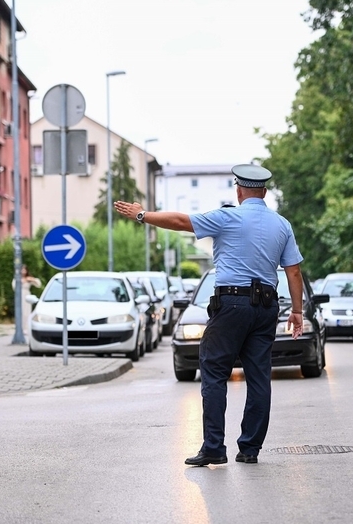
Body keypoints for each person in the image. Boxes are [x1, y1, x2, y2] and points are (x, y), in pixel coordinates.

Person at [114, 163, 305, 466]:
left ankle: (214, 447)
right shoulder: (282, 225)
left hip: (231, 304)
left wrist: (141, 215)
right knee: (259, 377)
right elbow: (293, 271)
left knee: (214, 372)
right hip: (266, 307)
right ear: (265, 192)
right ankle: (250, 449)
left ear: (239, 191)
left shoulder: (227, 217)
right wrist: (297, 311)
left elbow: (181, 221)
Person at [13, 265, 42, 336]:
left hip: (26, 295)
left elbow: (39, 284)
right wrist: (21, 281)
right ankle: (19, 328)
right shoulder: (17, 278)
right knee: (20, 312)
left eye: (24, 270)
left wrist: (32, 279)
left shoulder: (28, 278)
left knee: (27, 312)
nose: (23, 271)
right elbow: (14, 286)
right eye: (22, 270)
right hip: (19, 295)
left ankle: (26, 328)